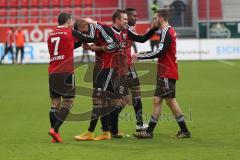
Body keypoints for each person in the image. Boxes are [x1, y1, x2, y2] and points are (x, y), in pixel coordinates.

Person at [74, 9, 158, 140]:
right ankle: (109, 129)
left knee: (127, 97)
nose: (129, 20)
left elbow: (141, 39)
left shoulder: (125, 31)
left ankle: (118, 127)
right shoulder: (103, 31)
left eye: (128, 18)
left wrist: (153, 30)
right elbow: (90, 42)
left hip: (123, 68)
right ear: (117, 19)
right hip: (106, 68)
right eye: (126, 18)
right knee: (109, 99)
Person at [132, 9, 190, 138]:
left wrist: (140, 56)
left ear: (161, 19)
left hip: (167, 72)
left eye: (155, 18)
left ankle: (183, 131)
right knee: (160, 100)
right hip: (167, 71)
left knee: (169, 101)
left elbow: (160, 52)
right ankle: (150, 132)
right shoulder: (168, 31)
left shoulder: (166, 32)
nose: (153, 21)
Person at [47, 12, 96, 143]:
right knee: (68, 101)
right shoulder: (70, 32)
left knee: (55, 103)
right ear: (68, 21)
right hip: (66, 72)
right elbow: (90, 38)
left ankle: (54, 133)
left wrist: (79, 44)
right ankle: (54, 129)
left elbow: (66, 48)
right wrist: (91, 25)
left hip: (52, 72)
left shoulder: (50, 35)